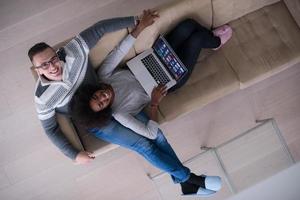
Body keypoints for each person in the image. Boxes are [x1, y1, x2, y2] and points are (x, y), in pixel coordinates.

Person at [70, 13, 232, 195]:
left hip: (152, 59)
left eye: (97, 97)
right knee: (196, 39)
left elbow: (119, 52)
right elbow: (151, 133)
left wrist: (139, 29)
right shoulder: (119, 113)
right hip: (166, 82)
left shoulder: (103, 77)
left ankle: (186, 183)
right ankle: (215, 43)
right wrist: (154, 103)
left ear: (92, 92)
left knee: (187, 25)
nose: (103, 97)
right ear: (104, 110)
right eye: (102, 104)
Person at [28, 10, 157, 165]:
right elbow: (51, 130)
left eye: (53, 59)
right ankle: (186, 178)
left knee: (157, 136)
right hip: (90, 119)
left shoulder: (72, 52)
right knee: (144, 145)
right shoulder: (42, 99)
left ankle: (185, 178)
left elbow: (99, 28)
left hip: (106, 95)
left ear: (57, 54)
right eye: (44, 65)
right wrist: (74, 155)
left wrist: (136, 20)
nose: (52, 67)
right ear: (37, 70)